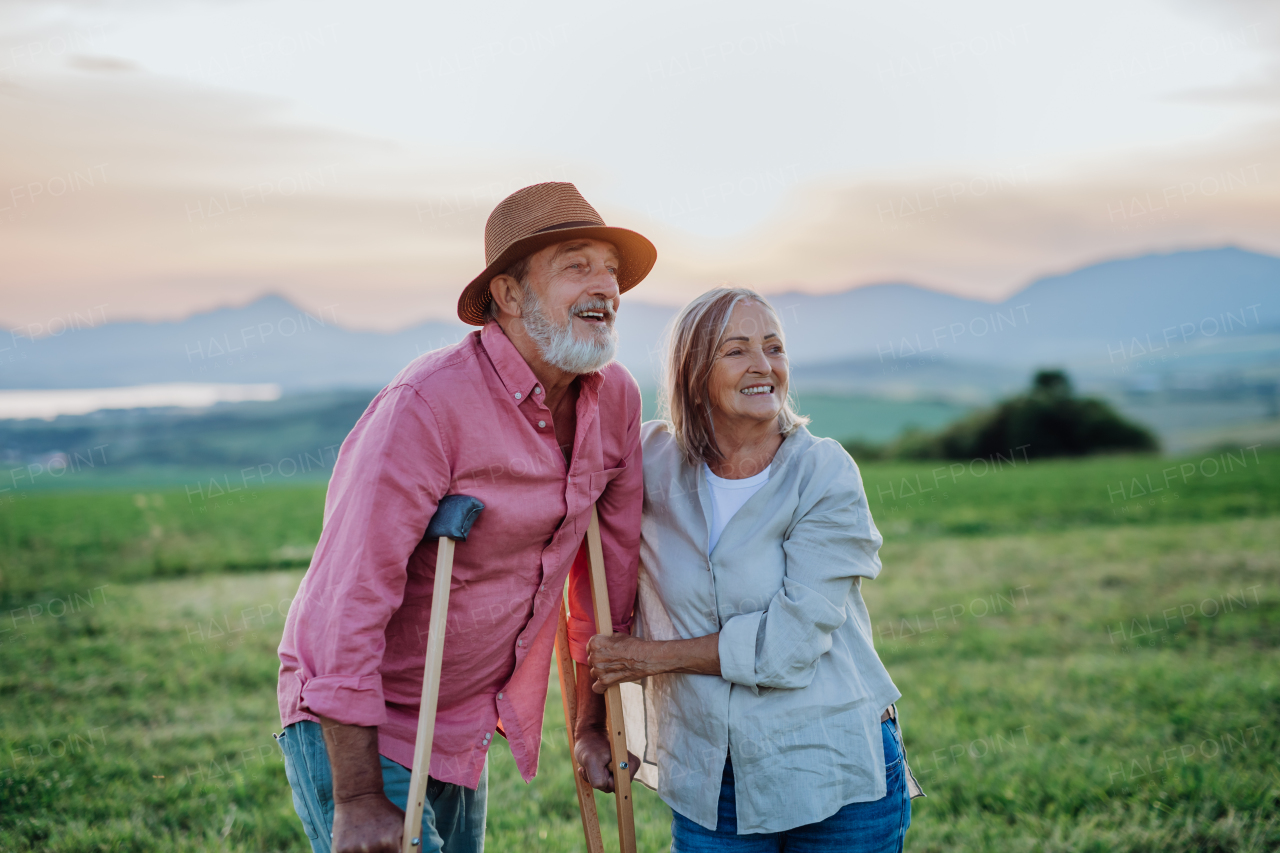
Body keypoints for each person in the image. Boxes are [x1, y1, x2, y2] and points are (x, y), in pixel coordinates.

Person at [275, 182, 655, 853]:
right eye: (577, 265)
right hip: (366, 723)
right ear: (508, 295)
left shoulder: (615, 400)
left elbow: (605, 583)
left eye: (611, 269)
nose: (605, 287)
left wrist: (591, 723)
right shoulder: (427, 405)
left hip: (461, 725)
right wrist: (359, 797)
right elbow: (349, 598)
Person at [586, 287, 924, 852]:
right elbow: (579, 536)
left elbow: (788, 646)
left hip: (834, 769)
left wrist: (649, 659)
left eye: (774, 348)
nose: (764, 365)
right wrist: (588, 726)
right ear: (694, 371)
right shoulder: (648, 462)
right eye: (737, 351)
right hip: (711, 776)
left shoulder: (823, 473)